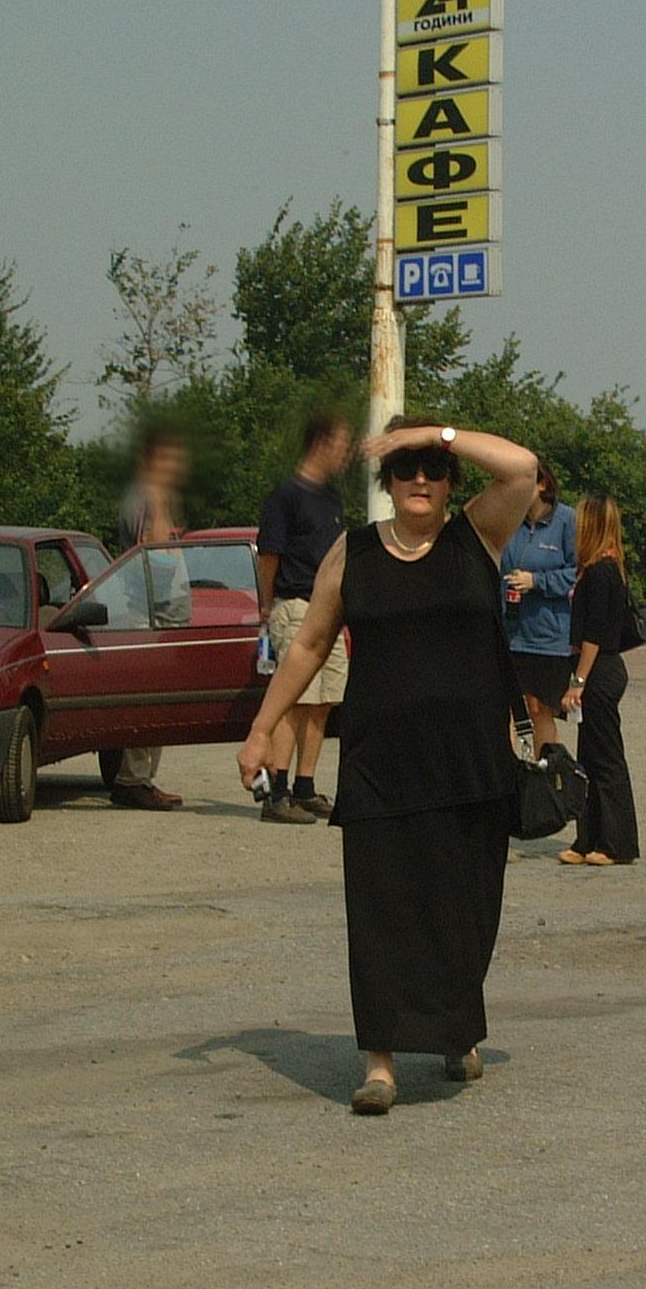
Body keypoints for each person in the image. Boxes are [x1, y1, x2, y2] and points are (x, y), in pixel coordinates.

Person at [237, 418, 540, 1116]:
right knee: (380, 911)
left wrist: (433, 433)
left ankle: (455, 1029)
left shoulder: (476, 535)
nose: (420, 480)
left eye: (432, 469)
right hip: (381, 763)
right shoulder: (354, 551)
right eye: (406, 469)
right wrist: (261, 728)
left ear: (451, 481)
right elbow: (309, 645)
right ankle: (379, 1063)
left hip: (469, 765)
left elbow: (522, 468)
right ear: (388, 481)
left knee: (462, 911)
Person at [253, 411, 356, 823]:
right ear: (320, 443)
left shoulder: (331, 497)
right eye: (342, 445)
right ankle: (276, 793)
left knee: (324, 701)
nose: (346, 454)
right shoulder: (286, 494)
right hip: (295, 605)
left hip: (329, 610)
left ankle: (305, 786)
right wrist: (267, 605)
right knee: (294, 700)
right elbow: (269, 555)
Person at [109, 422, 192, 810]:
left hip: (165, 614)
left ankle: (142, 778)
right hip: (149, 614)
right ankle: (132, 780)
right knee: (150, 700)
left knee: (162, 702)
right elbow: (151, 555)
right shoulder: (146, 498)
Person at [558, 493, 639, 867]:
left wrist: (578, 681)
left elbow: (595, 635)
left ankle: (616, 842)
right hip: (596, 668)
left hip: (600, 669)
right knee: (589, 757)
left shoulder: (603, 572)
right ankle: (588, 836)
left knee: (606, 760)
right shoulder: (597, 569)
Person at [499, 469, 577, 755]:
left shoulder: (566, 520)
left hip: (548, 635)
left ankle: (548, 771)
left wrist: (536, 582)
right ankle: (509, 774)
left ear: (542, 484)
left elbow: (578, 573)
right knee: (507, 707)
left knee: (539, 708)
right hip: (511, 632)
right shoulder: (510, 519)